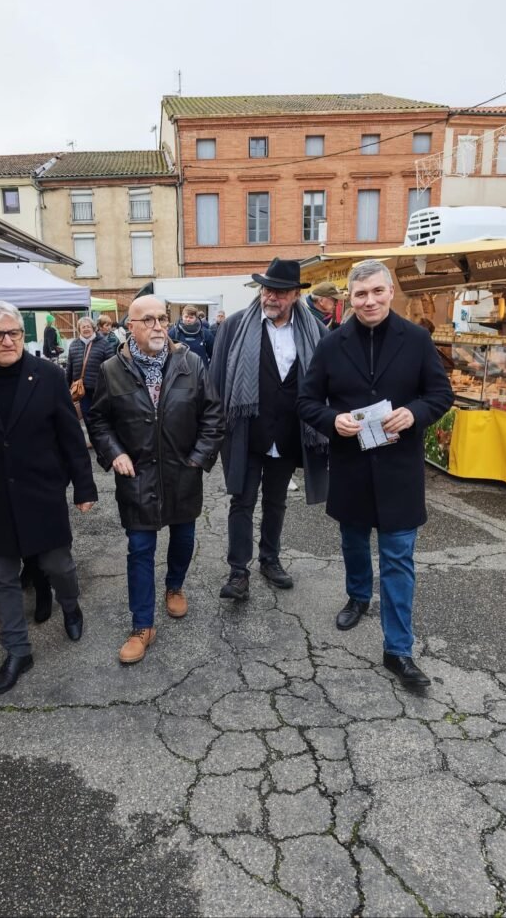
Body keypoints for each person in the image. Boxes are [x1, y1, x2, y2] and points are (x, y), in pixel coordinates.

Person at [297, 260, 454, 688]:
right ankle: (358, 596)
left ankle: (398, 650)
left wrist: (414, 413)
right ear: (349, 298)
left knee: (398, 559)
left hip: (399, 470)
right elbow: (307, 401)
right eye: (361, 294)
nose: (369, 301)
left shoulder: (416, 339)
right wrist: (333, 421)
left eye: (377, 292)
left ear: (390, 292)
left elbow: (441, 394)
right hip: (351, 466)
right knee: (352, 542)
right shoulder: (331, 344)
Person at [0, 300, 97, 696]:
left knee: (58, 564)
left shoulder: (48, 375)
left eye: (13, 332)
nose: (8, 340)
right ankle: (17, 651)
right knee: (2, 578)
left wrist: (84, 487)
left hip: (41, 489)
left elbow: (70, 436)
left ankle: (70, 605)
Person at [87, 295, 224, 664]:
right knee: (140, 548)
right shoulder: (112, 369)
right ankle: (142, 625)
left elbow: (213, 415)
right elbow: (98, 420)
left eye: (162, 318)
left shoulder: (191, 363)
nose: (158, 326)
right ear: (130, 326)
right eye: (148, 320)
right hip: (138, 475)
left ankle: (174, 586)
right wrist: (114, 453)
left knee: (184, 537)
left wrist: (198, 458)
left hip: (183, 472)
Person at [210, 258, 329, 601]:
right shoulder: (234, 326)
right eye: (267, 289)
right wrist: (216, 430)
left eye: (280, 291)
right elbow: (216, 381)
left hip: (288, 434)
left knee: (276, 501)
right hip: (246, 432)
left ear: (295, 295)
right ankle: (238, 571)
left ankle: (270, 559)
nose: (271, 297)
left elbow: (326, 382)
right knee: (242, 501)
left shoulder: (316, 332)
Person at [67, 317, 113, 419]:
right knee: (86, 416)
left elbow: (112, 367)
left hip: (100, 390)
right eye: (83, 327)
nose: (86, 329)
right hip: (82, 390)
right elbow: (69, 368)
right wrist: (66, 387)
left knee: (100, 417)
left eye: (88, 326)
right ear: (79, 329)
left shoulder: (104, 344)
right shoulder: (73, 345)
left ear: (93, 328)